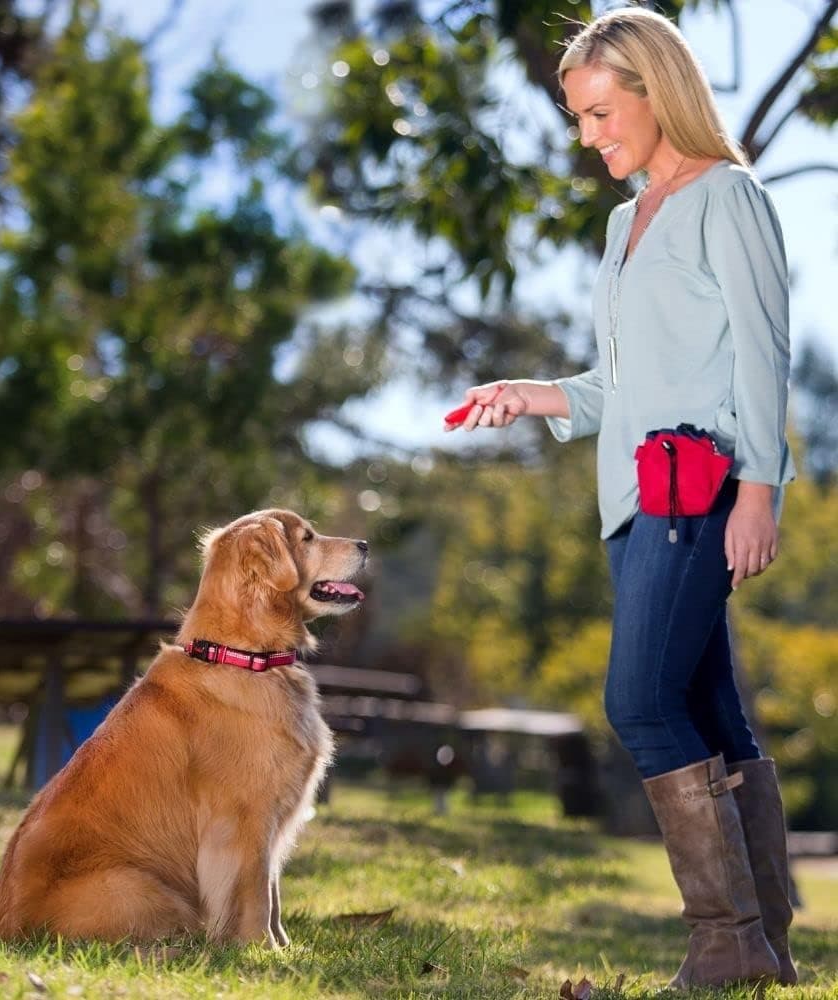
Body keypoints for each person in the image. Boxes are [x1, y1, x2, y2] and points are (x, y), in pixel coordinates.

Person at [445, 7, 797, 990]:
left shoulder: (726, 197)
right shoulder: (622, 220)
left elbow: (764, 352)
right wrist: (533, 395)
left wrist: (759, 492)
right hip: (632, 499)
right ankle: (764, 948)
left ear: (654, 89)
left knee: (638, 700)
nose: (591, 136)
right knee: (706, 707)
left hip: (700, 489)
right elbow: (622, 387)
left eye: (602, 112)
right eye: (579, 119)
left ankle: (726, 942)